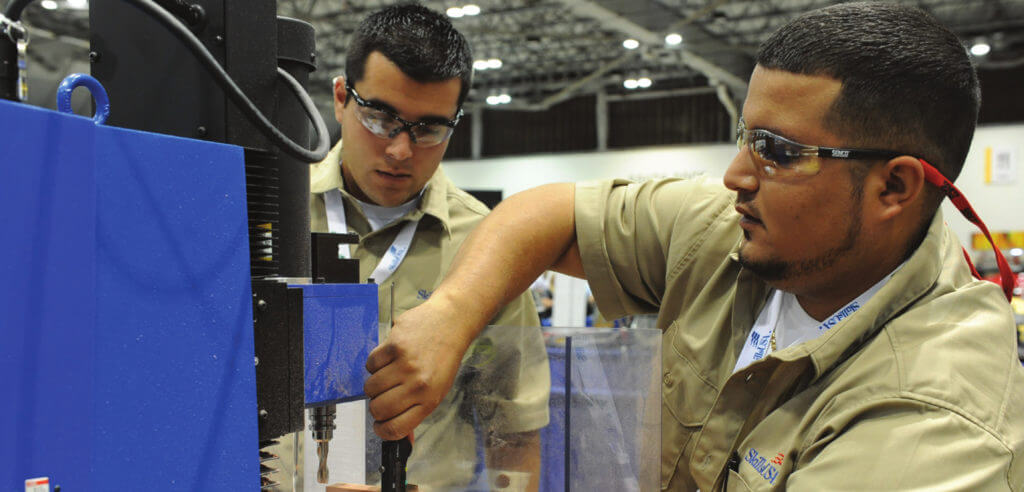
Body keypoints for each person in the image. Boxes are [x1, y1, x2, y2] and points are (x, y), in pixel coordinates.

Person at [363, 2, 1024, 490]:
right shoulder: (735, 232)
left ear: (894, 187)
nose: (736, 176)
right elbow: (551, 213)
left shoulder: (933, 418)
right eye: (746, 137)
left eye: (778, 152)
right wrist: (450, 316)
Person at [308, 4, 548, 490]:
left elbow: (514, 432)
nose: (401, 150)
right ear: (341, 98)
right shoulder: (272, 213)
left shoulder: (486, 244)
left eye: (429, 129)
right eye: (380, 118)